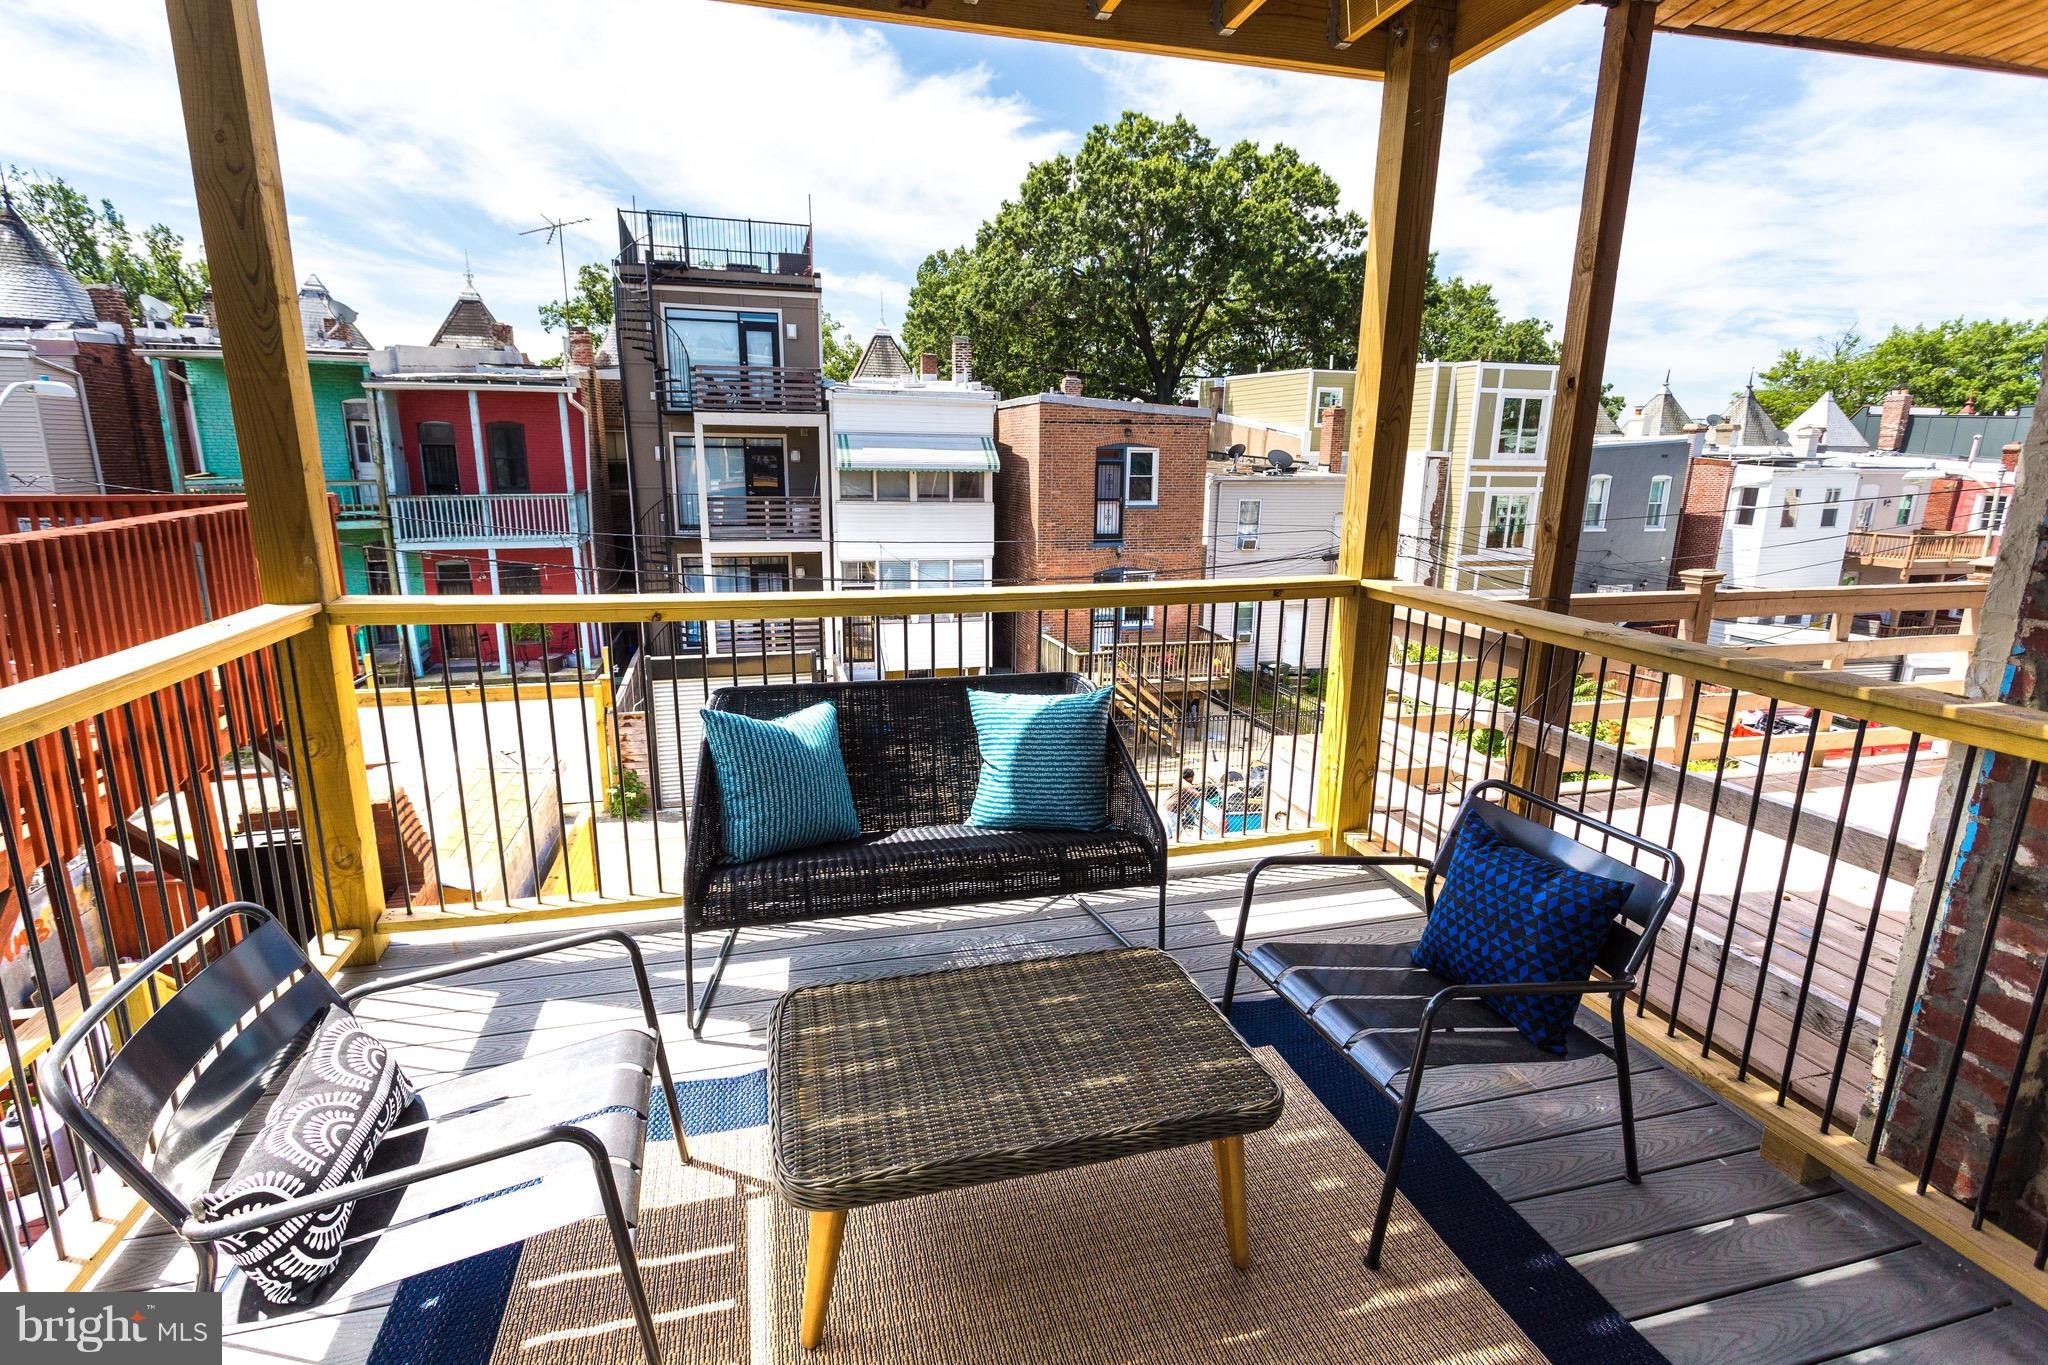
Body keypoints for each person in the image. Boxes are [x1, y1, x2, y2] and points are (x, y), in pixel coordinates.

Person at [1172, 768, 1206, 832]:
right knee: (1177, 830)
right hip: (1174, 808)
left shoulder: (1179, 781)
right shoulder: (1187, 785)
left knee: (1171, 829)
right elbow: (1197, 795)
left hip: (1169, 806)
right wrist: (1202, 791)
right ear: (1190, 777)